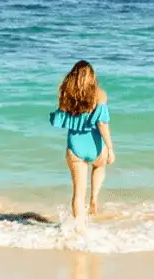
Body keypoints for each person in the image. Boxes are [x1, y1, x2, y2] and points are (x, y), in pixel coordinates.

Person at [49, 60, 115, 223]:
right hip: (94, 145)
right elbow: (102, 124)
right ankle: (94, 198)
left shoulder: (67, 96)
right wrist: (110, 147)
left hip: (75, 146)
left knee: (78, 193)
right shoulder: (99, 95)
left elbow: (57, 120)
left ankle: (79, 228)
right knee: (99, 166)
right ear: (92, 77)